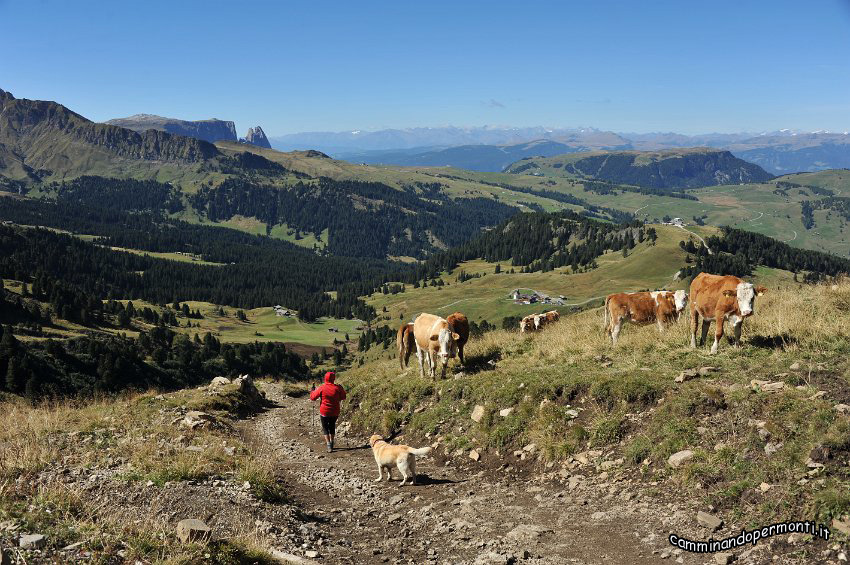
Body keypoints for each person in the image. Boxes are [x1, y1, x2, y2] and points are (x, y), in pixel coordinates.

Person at [309, 371, 346, 452]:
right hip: (335, 411)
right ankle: (332, 442)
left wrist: (312, 390)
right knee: (332, 426)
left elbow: (313, 398)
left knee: (325, 428)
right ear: (334, 378)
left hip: (324, 411)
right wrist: (341, 389)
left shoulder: (322, 387)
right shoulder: (338, 387)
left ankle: (328, 445)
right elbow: (343, 397)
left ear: (325, 378)